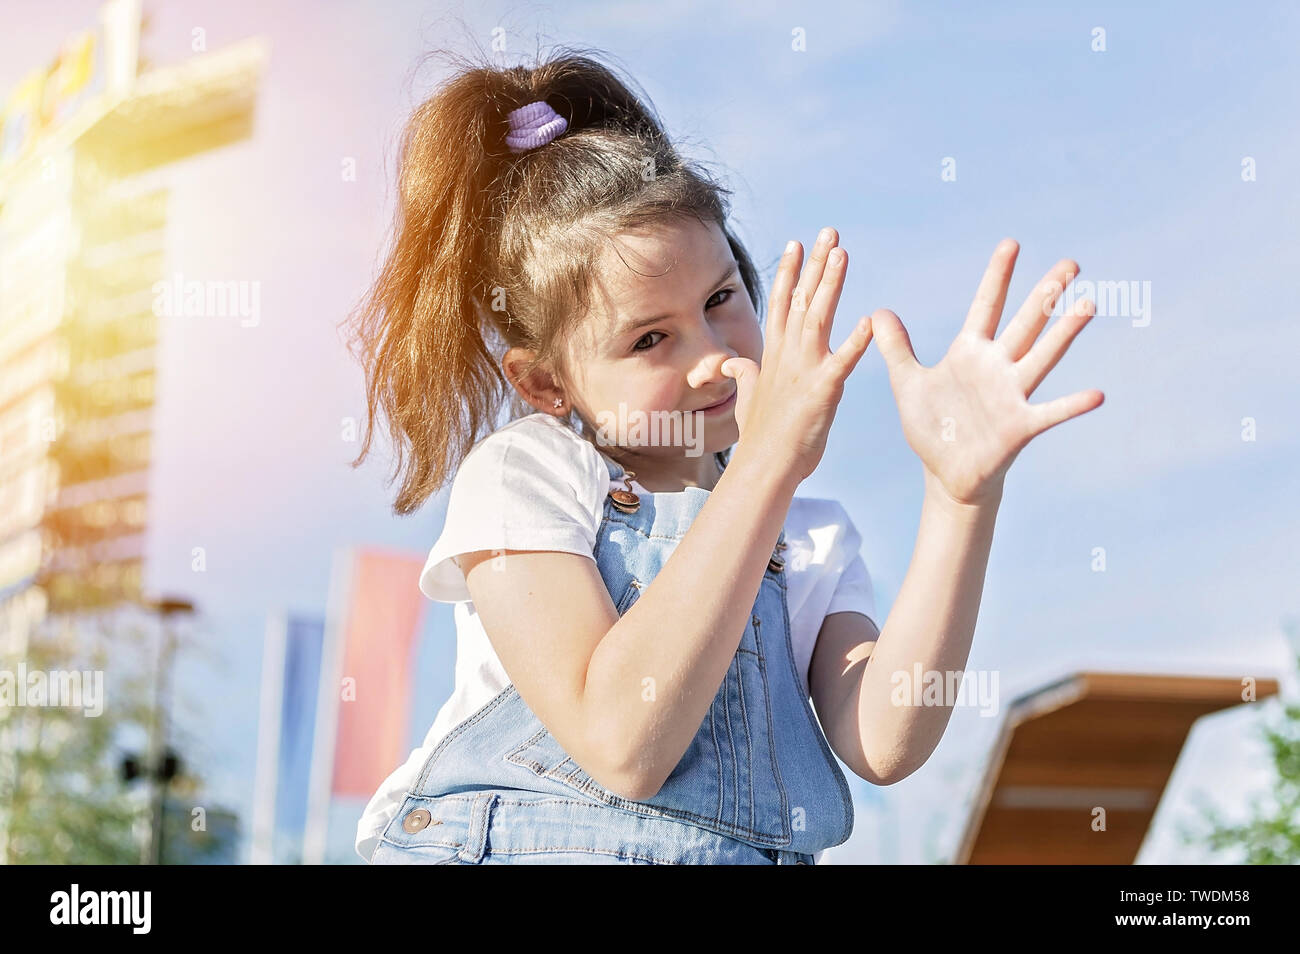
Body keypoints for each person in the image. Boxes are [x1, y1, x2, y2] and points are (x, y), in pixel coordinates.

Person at [345, 45, 1103, 865]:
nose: (710, 355)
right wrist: (769, 462)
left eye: (720, 300)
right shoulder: (530, 475)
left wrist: (961, 499)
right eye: (648, 339)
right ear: (544, 385)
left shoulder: (809, 535)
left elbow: (888, 741)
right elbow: (622, 743)